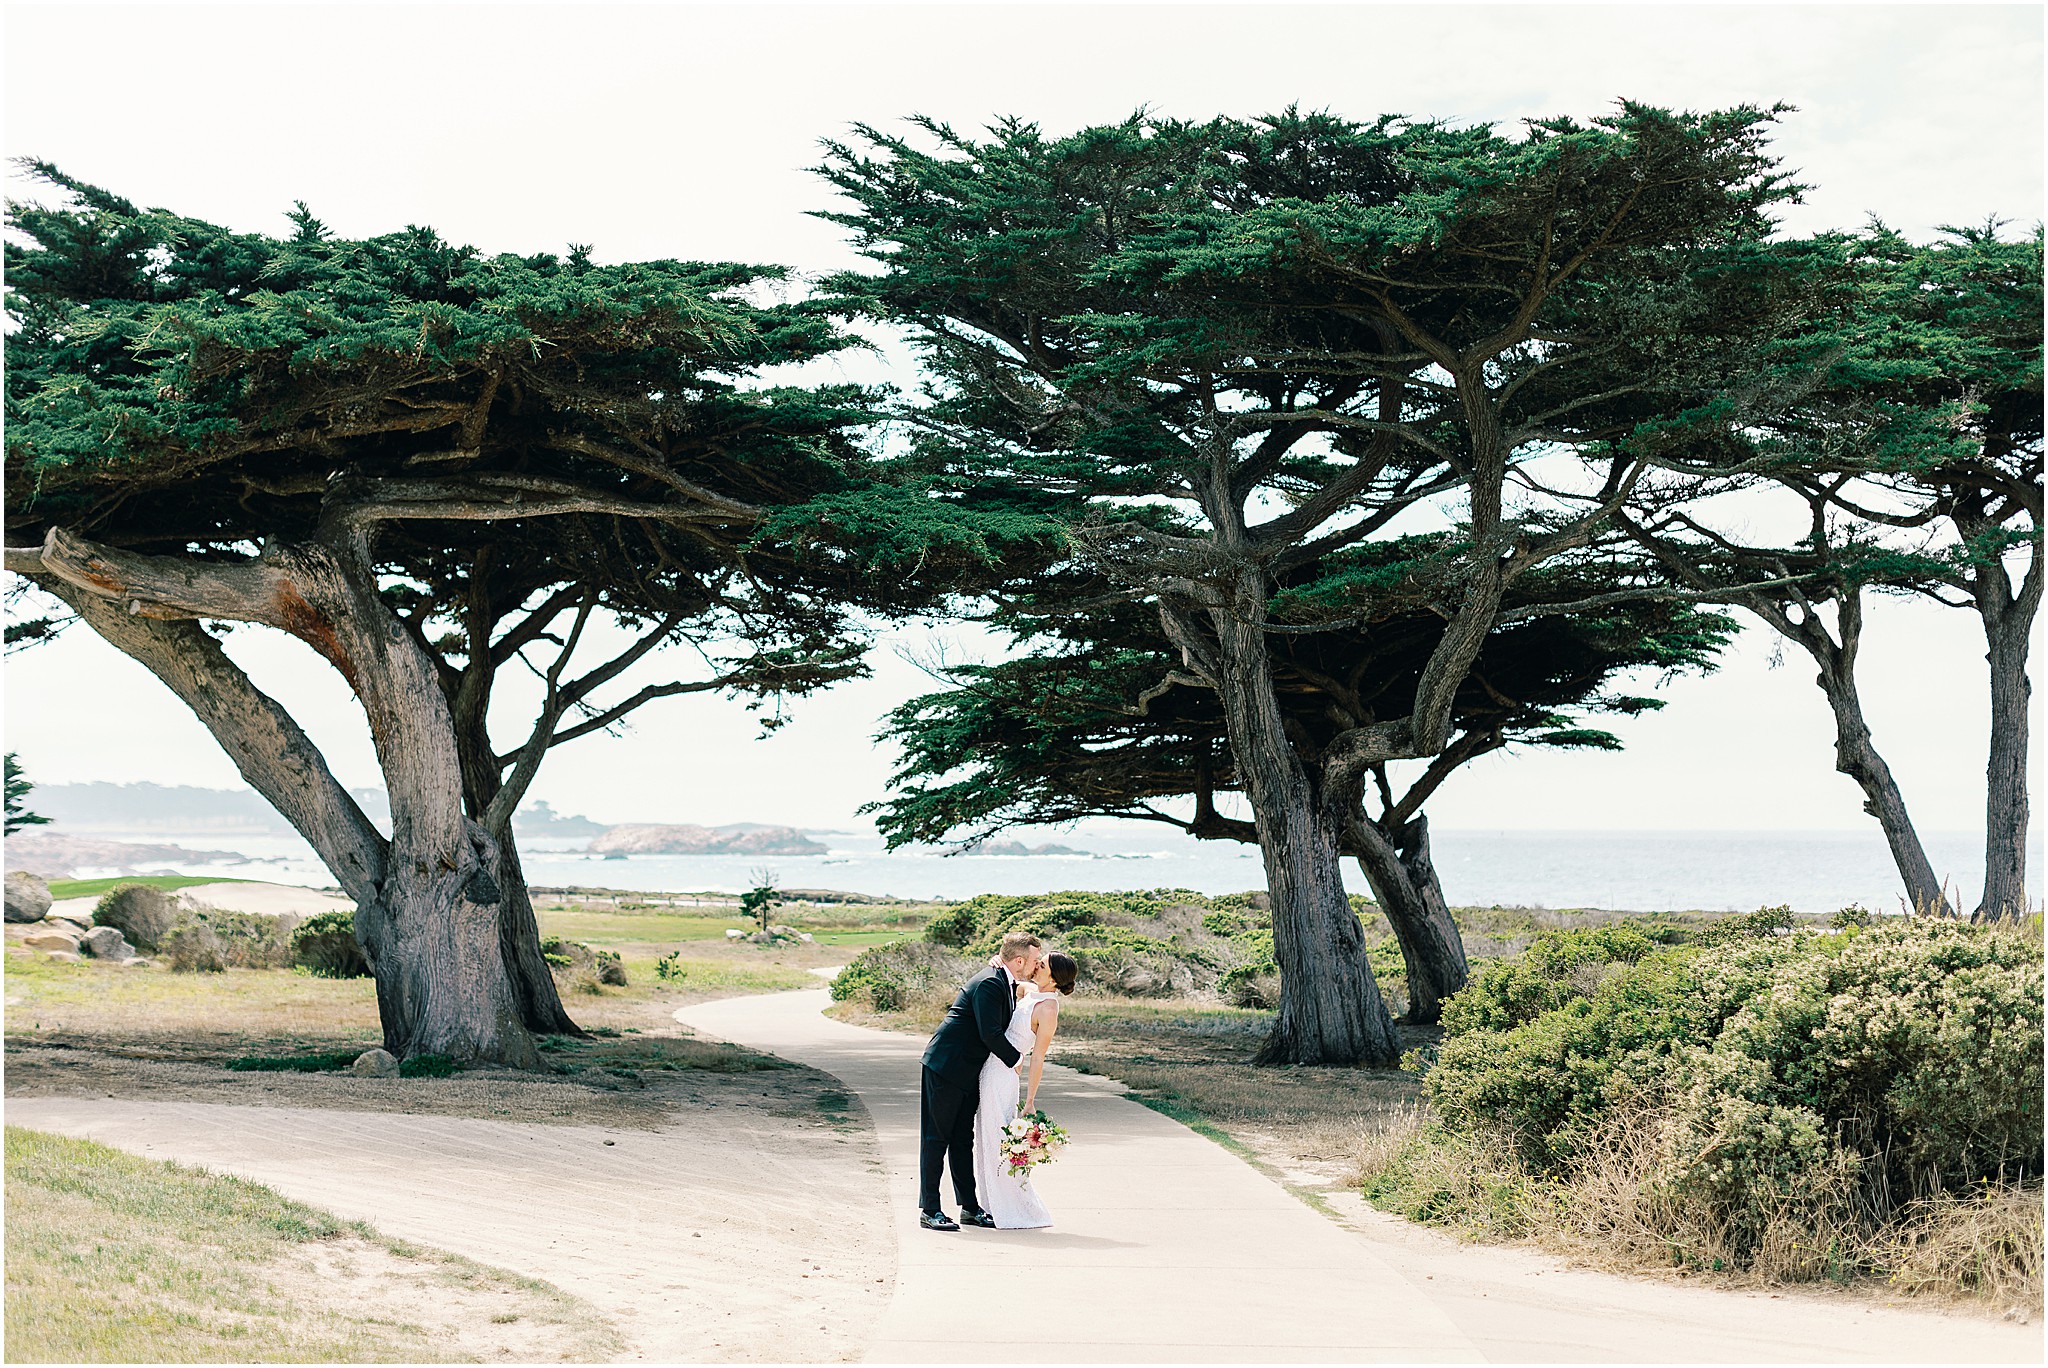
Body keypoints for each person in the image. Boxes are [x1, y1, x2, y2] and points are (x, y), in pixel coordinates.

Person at [917, 931, 1042, 1230]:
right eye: (1035, 960)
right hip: (945, 1066)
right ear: (1020, 960)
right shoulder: (990, 982)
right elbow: (990, 1033)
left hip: (969, 1071)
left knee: (963, 1139)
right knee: (936, 1138)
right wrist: (1016, 1060)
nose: (1037, 965)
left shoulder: (1005, 980)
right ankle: (930, 1209)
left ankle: (969, 1208)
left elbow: (1022, 990)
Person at [972, 950, 1077, 1229]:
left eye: (1042, 965)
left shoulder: (1049, 1009)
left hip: (1003, 1074)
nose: (1036, 966)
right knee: (985, 1137)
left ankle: (1013, 1207)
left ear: (1054, 979)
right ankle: (988, 1204)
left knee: (998, 1140)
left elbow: (1039, 1057)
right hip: (990, 1065)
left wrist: (1030, 1100)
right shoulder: (1031, 990)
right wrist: (997, 960)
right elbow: (1012, 979)